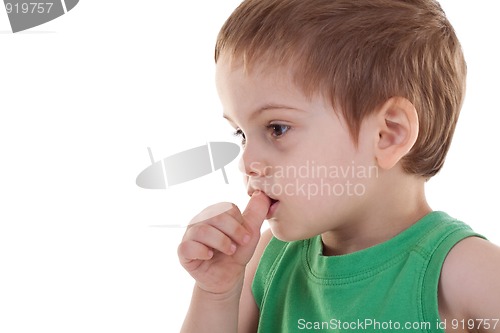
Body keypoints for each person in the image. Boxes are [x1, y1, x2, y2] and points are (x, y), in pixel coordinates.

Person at [177, 0, 500, 332]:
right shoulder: (268, 260)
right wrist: (215, 292)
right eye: (241, 133)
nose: (247, 163)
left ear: (387, 134)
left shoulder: (464, 271)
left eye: (277, 128)